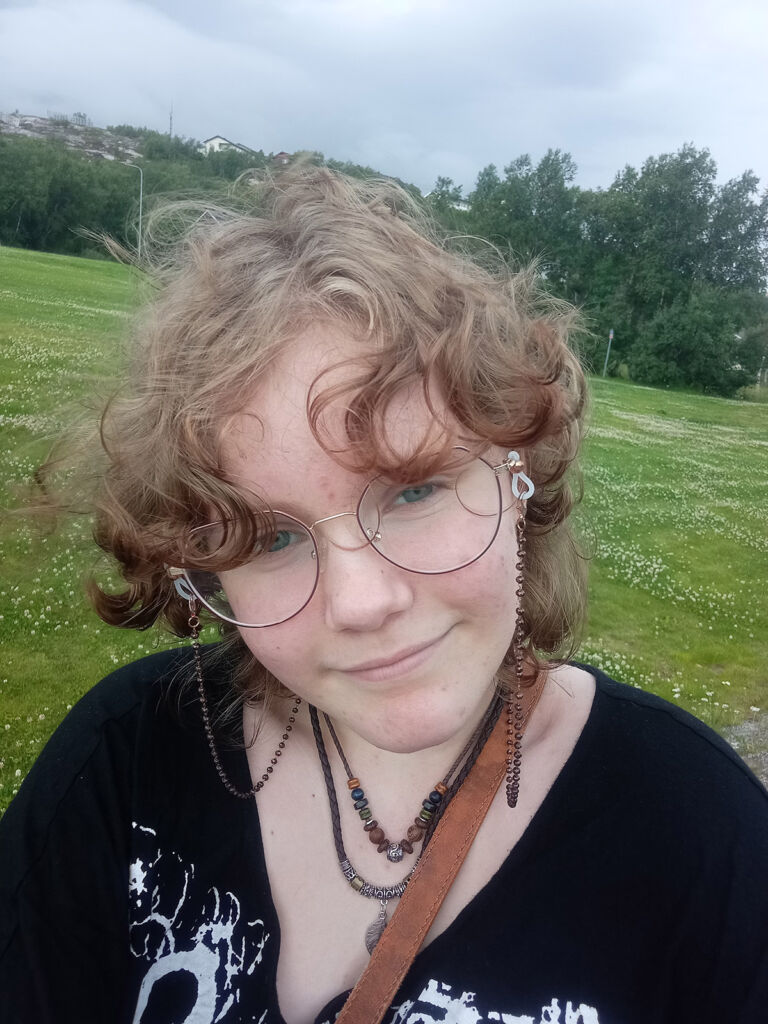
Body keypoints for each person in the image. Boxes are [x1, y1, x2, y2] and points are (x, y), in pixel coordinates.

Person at [1, 168, 766, 1024]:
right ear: (203, 571)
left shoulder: (701, 834)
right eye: (273, 539)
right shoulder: (125, 763)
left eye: (414, 491)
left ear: (519, 478)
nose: (361, 603)